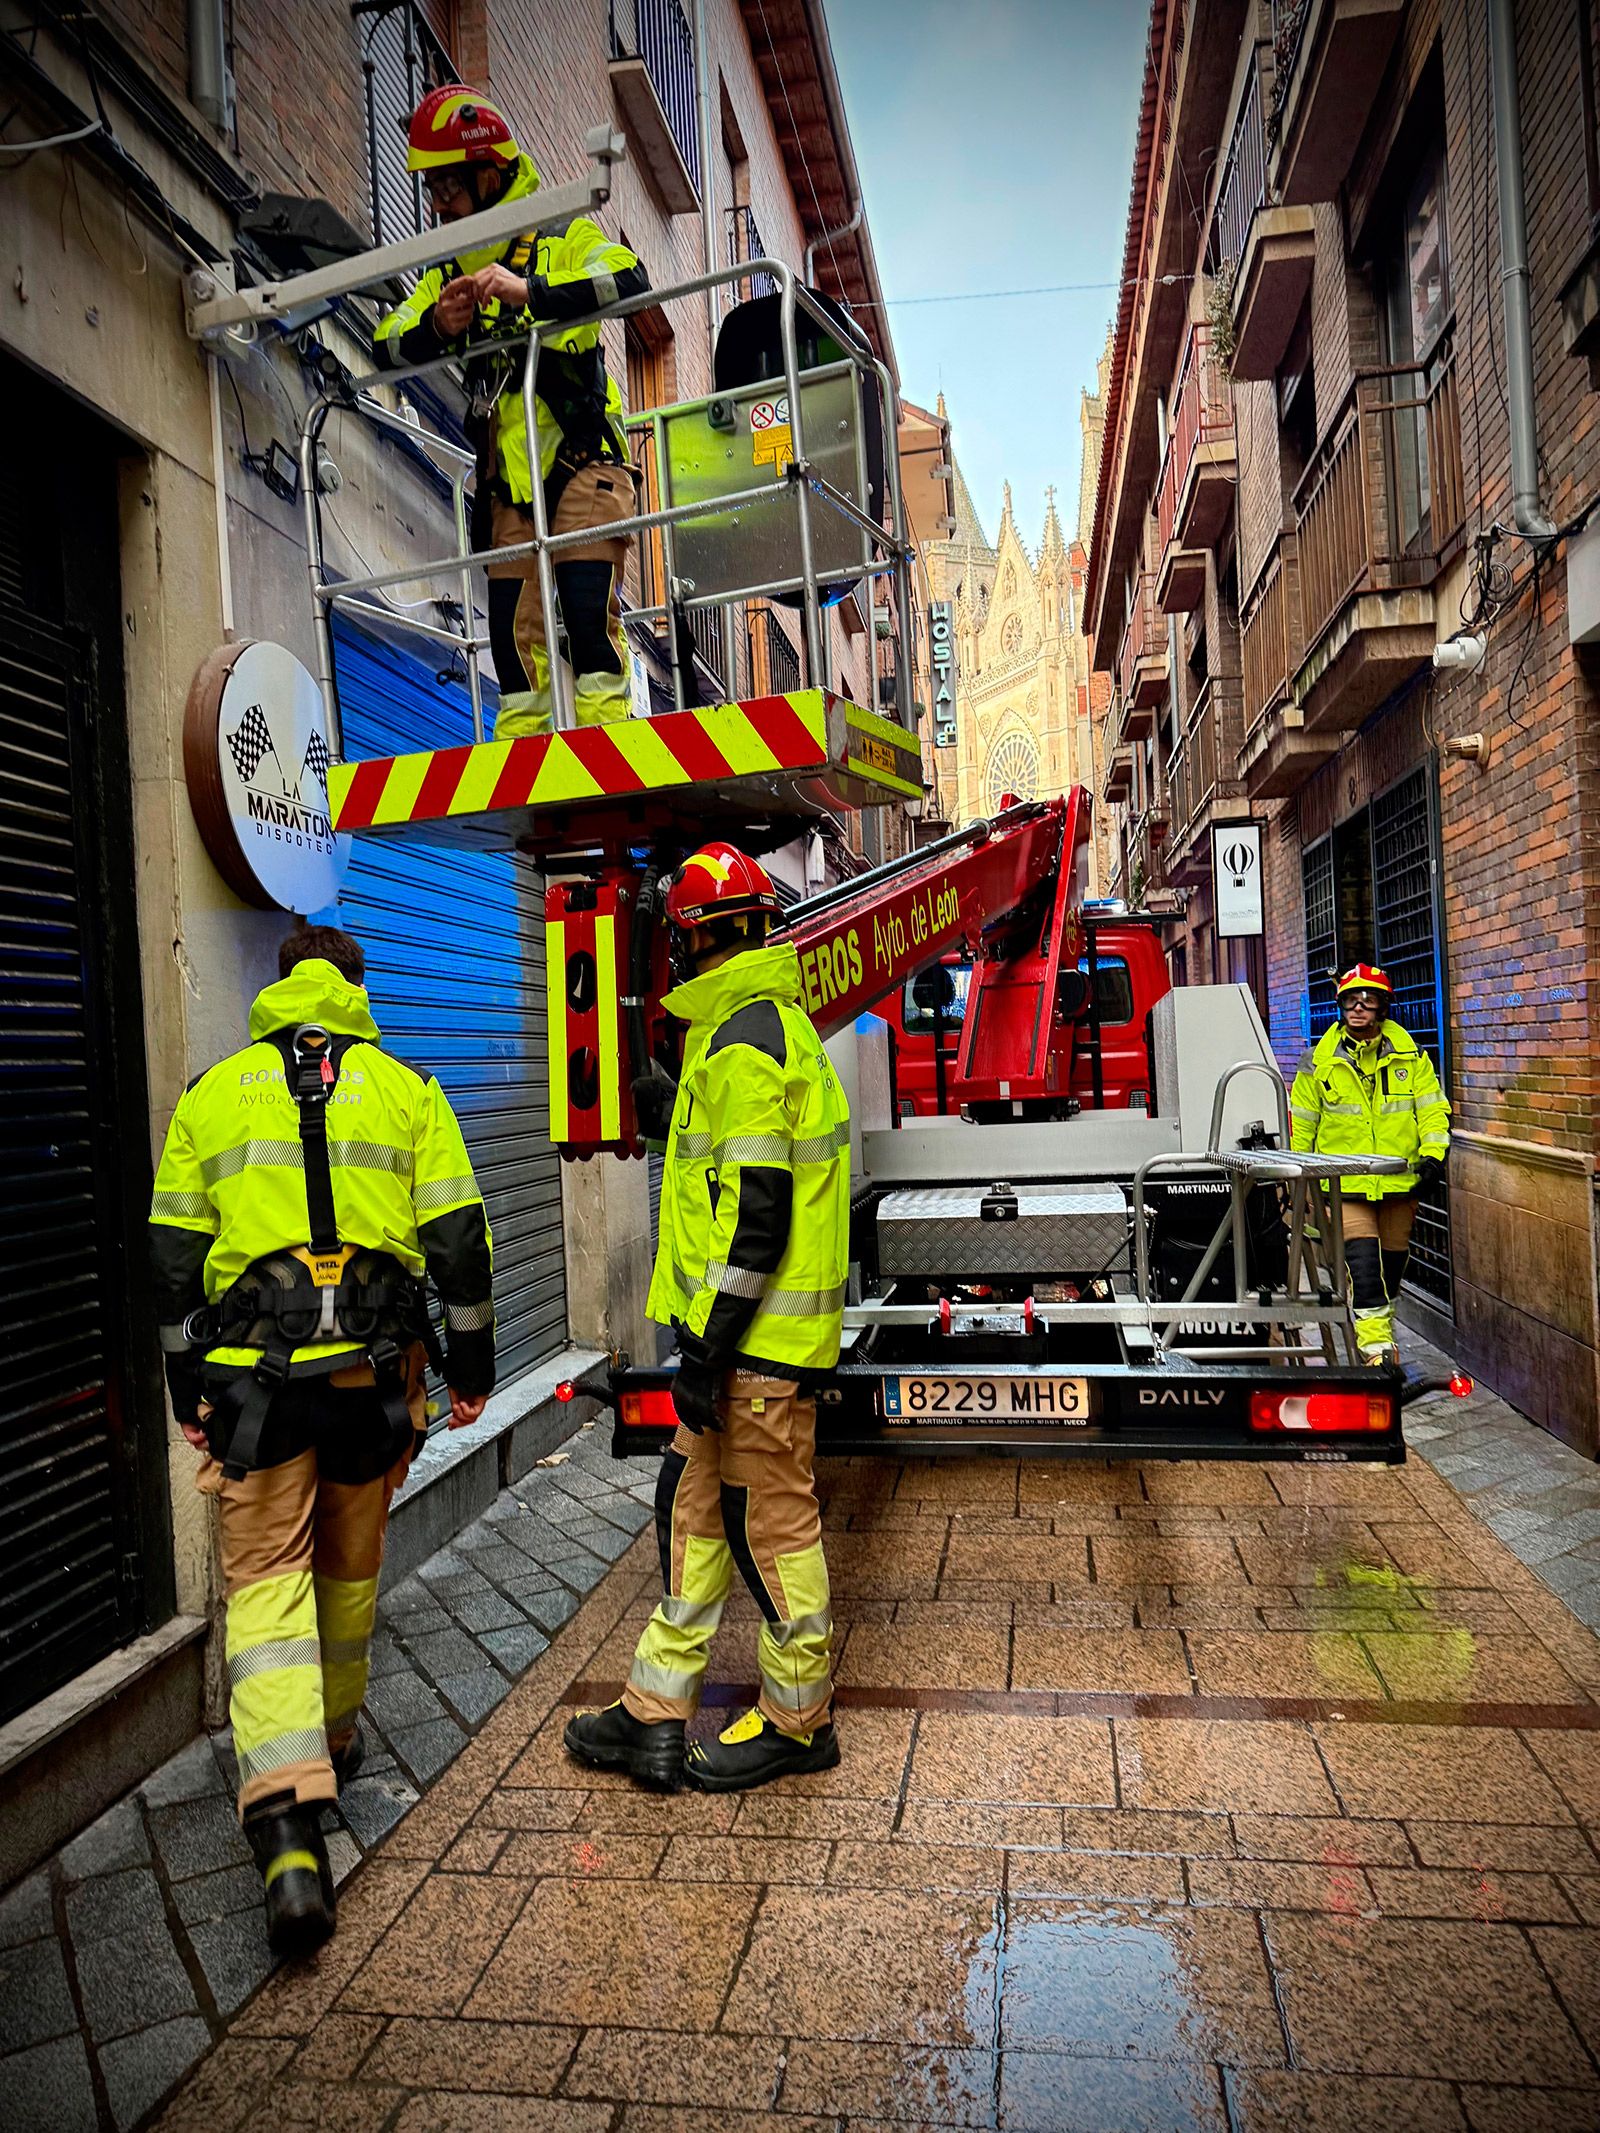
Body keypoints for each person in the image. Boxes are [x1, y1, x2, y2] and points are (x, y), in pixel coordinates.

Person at [149, 927, 495, 1957]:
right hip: (371, 1387)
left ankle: (287, 1830)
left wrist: (185, 1392)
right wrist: (470, 1373)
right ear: (354, 987)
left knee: (264, 1588)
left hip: (255, 1397)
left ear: (279, 987)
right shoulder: (407, 1091)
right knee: (347, 1576)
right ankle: (334, 1748)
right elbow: (460, 1245)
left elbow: (173, 1262)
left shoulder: (213, 1095)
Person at [564, 844, 851, 1792]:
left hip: (754, 1351)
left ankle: (800, 1720)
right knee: (690, 1516)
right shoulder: (762, 1028)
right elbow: (733, 1184)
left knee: (770, 1529)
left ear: (691, 944)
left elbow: (757, 1217)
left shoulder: (739, 1043)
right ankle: (655, 1709)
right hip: (740, 1346)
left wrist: (707, 1350)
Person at [376, 85, 649, 736]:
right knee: (508, 636)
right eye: (432, 191)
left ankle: (606, 742)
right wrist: (439, 326)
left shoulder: (562, 234)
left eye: (449, 188)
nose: (440, 205)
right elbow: (387, 341)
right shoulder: (447, 275)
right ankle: (524, 750)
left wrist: (532, 290)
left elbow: (630, 280)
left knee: (587, 616)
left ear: (490, 172)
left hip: (585, 461)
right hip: (509, 482)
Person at [1291, 962, 1451, 1363]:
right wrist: (1302, 1184)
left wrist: (1433, 1158)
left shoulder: (1412, 1058)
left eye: (1368, 999)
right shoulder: (1318, 1062)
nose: (1358, 1007)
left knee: (1390, 1269)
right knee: (1364, 1270)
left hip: (1399, 1182)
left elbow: (1431, 1111)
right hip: (1344, 1185)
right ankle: (1376, 1351)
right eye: (1350, 1000)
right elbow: (1302, 1129)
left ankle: (1379, 1332)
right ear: (1340, 1006)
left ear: (1383, 1007)